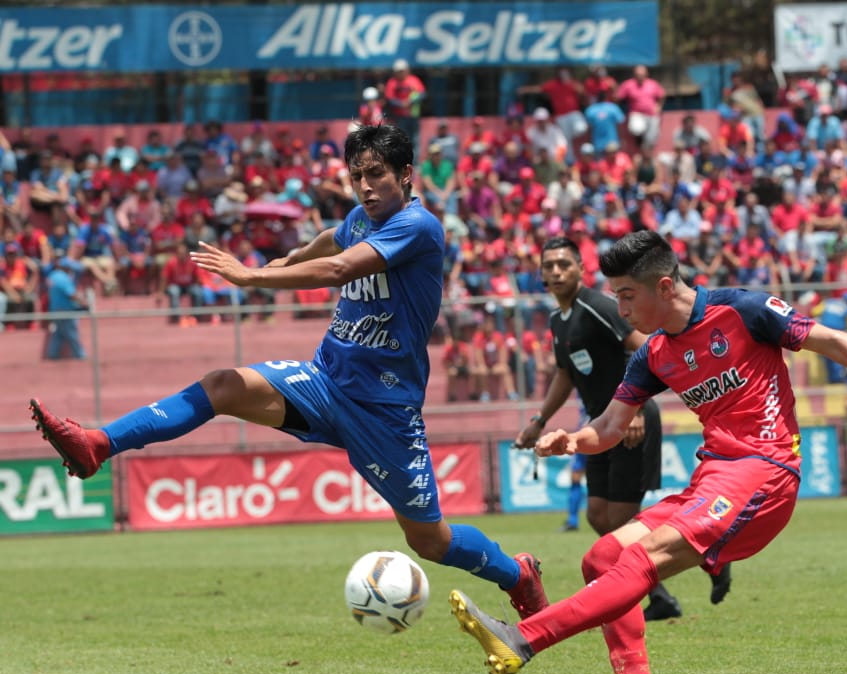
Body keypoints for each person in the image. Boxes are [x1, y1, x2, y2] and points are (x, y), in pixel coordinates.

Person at [29, 123, 549, 622]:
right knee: (223, 385)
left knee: (429, 541)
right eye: (356, 175)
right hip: (325, 383)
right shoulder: (361, 218)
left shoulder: (417, 226)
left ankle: (516, 574)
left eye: (377, 174)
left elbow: (341, 268)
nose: (365, 186)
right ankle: (98, 444)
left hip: (384, 411)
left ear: (406, 174)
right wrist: (288, 258)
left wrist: (255, 275)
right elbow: (333, 240)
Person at [448, 230, 847, 674]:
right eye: (614, 295)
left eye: (626, 296)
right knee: (602, 557)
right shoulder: (654, 353)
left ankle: (523, 639)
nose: (621, 307)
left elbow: (826, 338)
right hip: (713, 478)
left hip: (765, 473)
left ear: (662, 287)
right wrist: (571, 439)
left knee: (640, 559)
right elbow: (609, 427)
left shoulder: (742, 310)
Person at [513, 237, 728, 622]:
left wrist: (640, 408)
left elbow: (648, 346)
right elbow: (565, 373)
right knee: (598, 514)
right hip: (597, 424)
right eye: (549, 266)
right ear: (541, 274)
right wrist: (539, 421)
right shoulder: (558, 320)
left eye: (564, 264)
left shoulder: (597, 307)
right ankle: (666, 587)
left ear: (581, 267)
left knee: (620, 520)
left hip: (629, 421)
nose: (556, 271)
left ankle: (697, 559)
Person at [43, 258, 90, 360]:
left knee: (58, 334)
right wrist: (84, 303)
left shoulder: (53, 276)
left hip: (55, 310)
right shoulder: (63, 277)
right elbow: (71, 294)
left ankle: (52, 355)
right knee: (72, 334)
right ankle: (80, 355)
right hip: (65, 311)